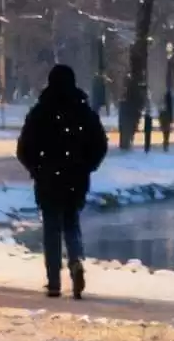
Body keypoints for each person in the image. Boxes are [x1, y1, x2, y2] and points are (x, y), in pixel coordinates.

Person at [16, 63, 109, 297]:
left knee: (51, 228)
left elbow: (24, 147)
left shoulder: (40, 111)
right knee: (71, 222)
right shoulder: (83, 110)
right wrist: (88, 166)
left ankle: (54, 279)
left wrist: (36, 168)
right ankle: (76, 261)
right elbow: (100, 144)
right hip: (76, 177)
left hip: (48, 178)